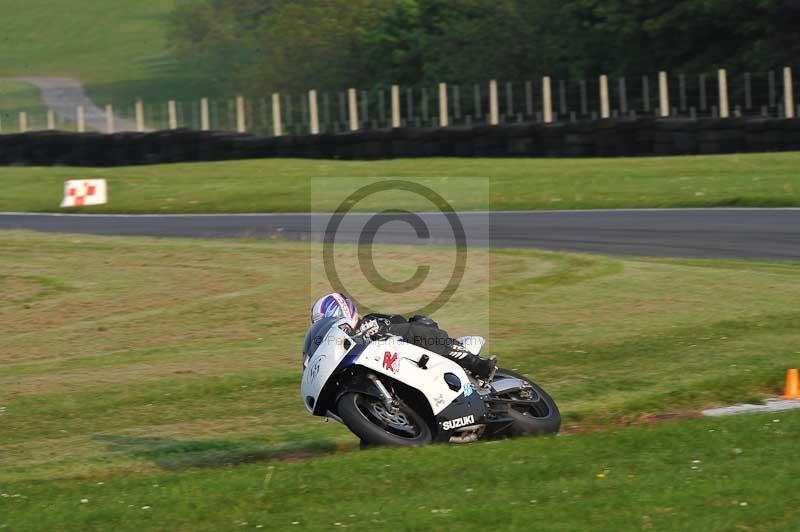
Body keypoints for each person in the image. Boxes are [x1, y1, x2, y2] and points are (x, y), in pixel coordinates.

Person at [310, 292, 497, 379]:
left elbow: (399, 321)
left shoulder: (371, 320)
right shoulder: (339, 344)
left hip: (412, 356)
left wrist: (379, 327)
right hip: (393, 375)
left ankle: (475, 363)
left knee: (417, 328)